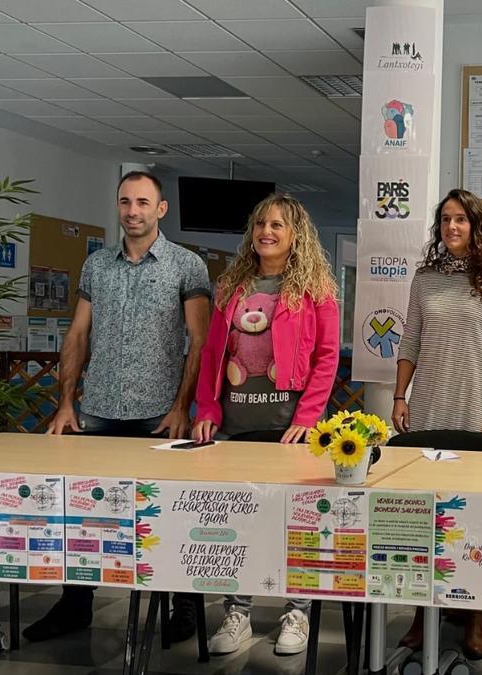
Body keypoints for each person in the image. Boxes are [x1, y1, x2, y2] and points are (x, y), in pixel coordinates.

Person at [28, 170, 212, 643]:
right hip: (99, 410)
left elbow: (200, 339)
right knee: (85, 513)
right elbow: (78, 334)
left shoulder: (187, 265)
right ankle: (75, 605)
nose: (133, 212)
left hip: (159, 415)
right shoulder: (97, 266)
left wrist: (181, 408)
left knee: (170, 513)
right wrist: (66, 403)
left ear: (161, 209)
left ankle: (184, 606)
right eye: (125, 202)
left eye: (143, 203)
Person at [191, 193, 340, 656]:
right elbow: (214, 354)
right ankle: (237, 612)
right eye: (260, 224)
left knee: (296, 525)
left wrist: (308, 418)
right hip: (236, 427)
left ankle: (297, 611)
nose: (266, 232)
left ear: (295, 234)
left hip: (289, 429)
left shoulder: (316, 289)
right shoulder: (231, 286)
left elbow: (327, 358)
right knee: (239, 525)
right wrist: (208, 410)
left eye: (277, 225)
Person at [391, 188, 482, 659]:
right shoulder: (424, 280)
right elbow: (410, 340)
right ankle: (424, 614)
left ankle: (476, 614)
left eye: (461, 219)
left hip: (475, 407)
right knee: (426, 515)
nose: (452, 228)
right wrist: (399, 395)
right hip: (427, 406)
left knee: (475, 516)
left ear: (476, 224)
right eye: (445, 220)